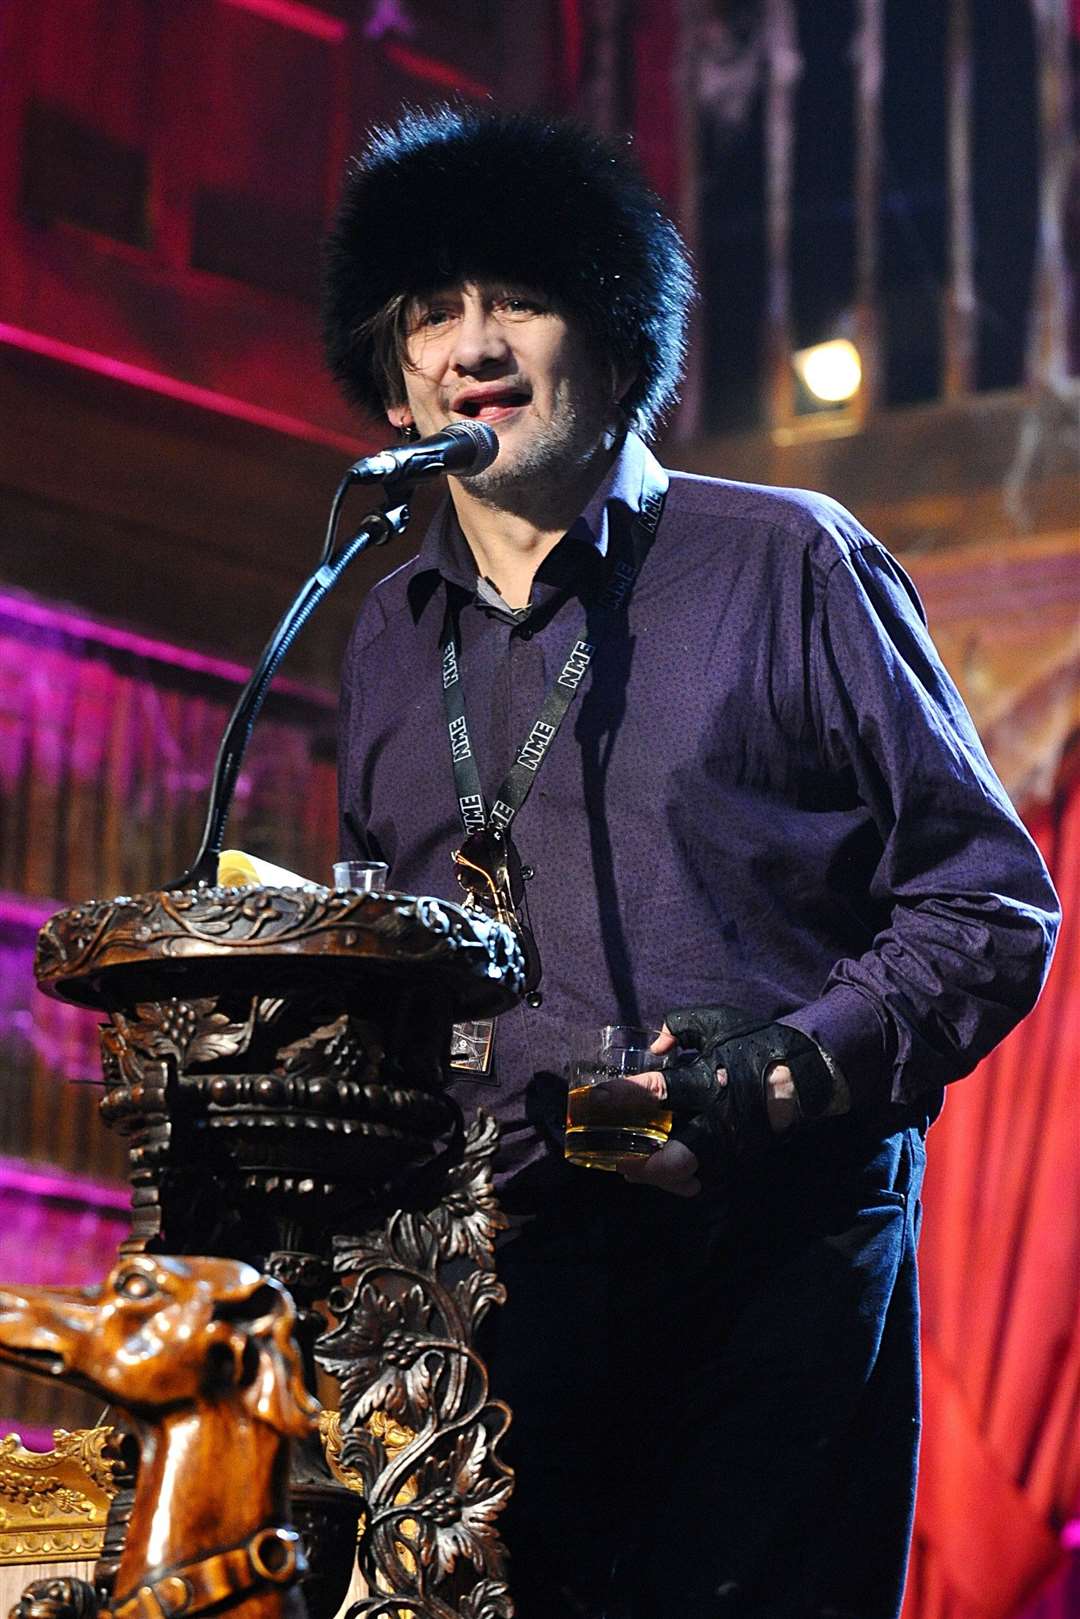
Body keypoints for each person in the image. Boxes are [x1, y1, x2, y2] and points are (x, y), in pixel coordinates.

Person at [323, 106, 1059, 1619]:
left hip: (772, 1252)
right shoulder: (386, 636)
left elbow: (990, 903)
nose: (473, 343)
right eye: (432, 313)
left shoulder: (792, 559)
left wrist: (789, 1071)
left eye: (516, 298)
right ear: (393, 380)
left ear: (610, 339)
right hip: (499, 1292)